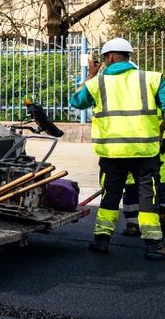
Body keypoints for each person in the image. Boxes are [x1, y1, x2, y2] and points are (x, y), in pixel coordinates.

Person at [69, 37, 165, 259]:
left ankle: (101, 240)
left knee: (110, 196)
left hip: (112, 153)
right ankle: (154, 245)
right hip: (145, 152)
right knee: (147, 197)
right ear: (128, 56)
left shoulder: (97, 83)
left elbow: (76, 102)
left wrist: (91, 75)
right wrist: (160, 129)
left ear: (109, 57)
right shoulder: (151, 78)